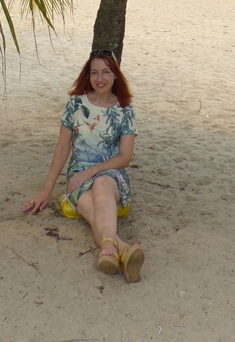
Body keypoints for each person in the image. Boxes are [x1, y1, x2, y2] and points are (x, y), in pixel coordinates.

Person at [22, 50, 145, 283]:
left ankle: (109, 249)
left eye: (106, 72)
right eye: (94, 73)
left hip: (111, 175)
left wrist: (92, 170)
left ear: (115, 75)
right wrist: (47, 190)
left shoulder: (125, 110)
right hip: (78, 175)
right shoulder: (75, 105)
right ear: (87, 76)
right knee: (90, 208)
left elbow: (125, 157)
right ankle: (119, 248)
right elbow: (62, 148)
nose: (100, 78)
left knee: (100, 184)